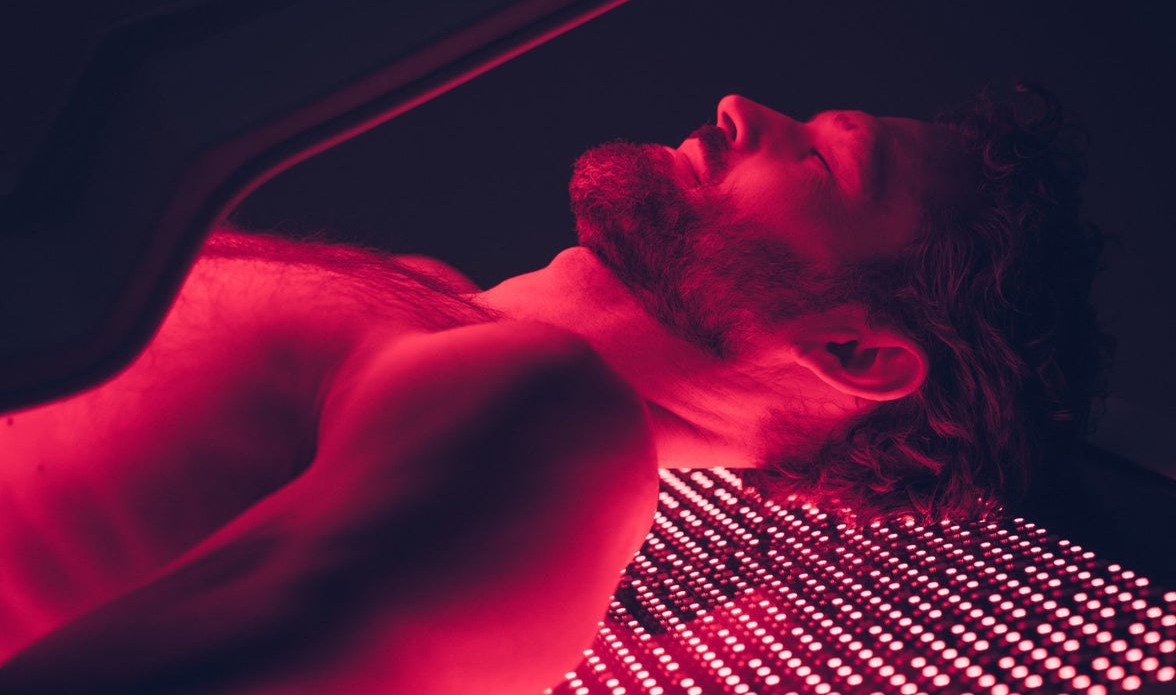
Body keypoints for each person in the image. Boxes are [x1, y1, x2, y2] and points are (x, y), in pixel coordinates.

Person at [0, 86, 1111, 693]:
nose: (739, 107)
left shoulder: (549, 417)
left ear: (859, 355)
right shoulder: (449, 321)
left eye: (821, 159)